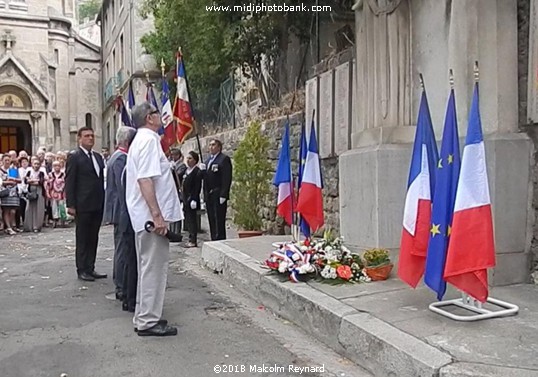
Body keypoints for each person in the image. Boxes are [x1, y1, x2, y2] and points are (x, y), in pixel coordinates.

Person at [126, 102, 182, 336]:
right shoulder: (148, 141)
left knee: (148, 268)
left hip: (144, 216)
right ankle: (148, 321)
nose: (162, 116)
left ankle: (144, 315)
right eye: (158, 113)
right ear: (150, 118)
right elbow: (146, 179)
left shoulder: (141, 141)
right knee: (154, 268)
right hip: (151, 219)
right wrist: (158, 216)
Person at [65, 127, 107, 282]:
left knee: (93, 237)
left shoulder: (97, 157)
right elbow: (70, 181)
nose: (90, 138)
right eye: (87, 136)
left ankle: (90, 267)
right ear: (79, 138)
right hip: (82, 204)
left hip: (97, 203)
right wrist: (71, 204)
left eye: (92, 135)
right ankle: (81, 269)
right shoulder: (75, 157)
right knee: (82, 238)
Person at [104, 126, 136, 301]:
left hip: (119, 209)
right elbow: (124, 188)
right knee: (123, 249)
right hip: (122, 210)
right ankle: (122, 286)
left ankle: (121, 284)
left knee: (121, 248)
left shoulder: (116, 157)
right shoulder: (120, 159)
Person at [202, 139, 232, 241]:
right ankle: (213, 237)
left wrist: (224, 194)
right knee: (211, 218)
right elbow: (205, 180)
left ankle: (220, 238)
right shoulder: (207, 161)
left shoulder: (223, 159)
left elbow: (226, 178)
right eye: (210, 145)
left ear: (219, 147)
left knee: (219, 218)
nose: (211, 147)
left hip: (218, 192)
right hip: (209, 194)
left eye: (213, 145)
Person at [182, 151, 203, 247]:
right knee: (188, 219)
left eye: (190, 158)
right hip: (186, 198)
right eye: (187, 158)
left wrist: (194, 198)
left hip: (192, 198)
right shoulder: (186, 171)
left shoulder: (197, 171)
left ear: (195, 160)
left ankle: (193, 239)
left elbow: (197, 186)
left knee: (192, 220)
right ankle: (190, 237)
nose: (188, 160)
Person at [24, 158, 46, 233]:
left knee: (38, 209)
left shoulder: (41, 173)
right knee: (29, 208)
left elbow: (40, 182)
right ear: (32, 164)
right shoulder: (29, 172)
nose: (36, 165)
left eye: (38, 164)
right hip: (31, 191)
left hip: (39, 192)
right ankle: (29, 226)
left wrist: (31, 180)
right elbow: (26, 181)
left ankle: (36, 226)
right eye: (35, 164)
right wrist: (34, 180)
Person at [169, 148, 186, 235]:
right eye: (171, 155)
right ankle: (171, 230)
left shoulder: (181, 165)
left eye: (174, 155)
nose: (173, 157)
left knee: (177, 211)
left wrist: (173, 170)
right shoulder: (170, 164)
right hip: (171, 191)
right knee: (171, 211)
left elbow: (179, 175)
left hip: (177, 191)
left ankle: (177, 232)